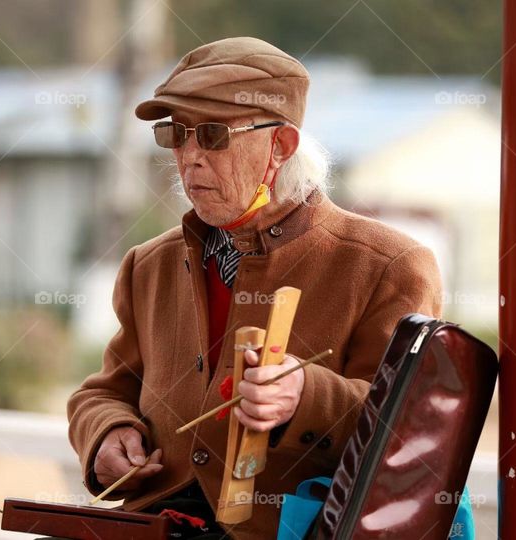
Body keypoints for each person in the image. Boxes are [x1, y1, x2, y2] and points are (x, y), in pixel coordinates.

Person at [67, 36, 443, 539]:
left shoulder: (390, 266)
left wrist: (304, 397)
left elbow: (410, 436)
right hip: (154, 521)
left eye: (213, 135)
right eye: (177, 134)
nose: (190, 156)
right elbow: (105, 391)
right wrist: (107, 434)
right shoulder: (148, 265)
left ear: (280, 146)